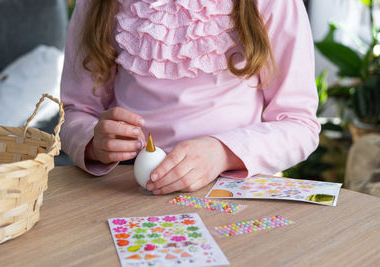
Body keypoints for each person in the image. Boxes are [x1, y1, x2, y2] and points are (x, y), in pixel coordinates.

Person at [60, 0, 320, 195]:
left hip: (231, 190)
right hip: (125, 189)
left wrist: (223, 152)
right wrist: (94, 142)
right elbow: (75, 112)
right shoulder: (98, 4)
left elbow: (300, 124)